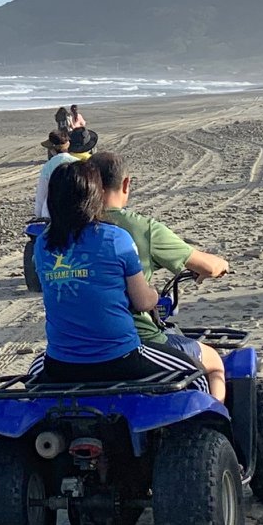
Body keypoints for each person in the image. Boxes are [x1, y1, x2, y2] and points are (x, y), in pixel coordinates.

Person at [29, 159, 207, 389]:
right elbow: (142, 302)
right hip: (120, 358)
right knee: (198, 374)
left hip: (62, 364)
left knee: (33, 373)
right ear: (95, 196)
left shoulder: (42, 244)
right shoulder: (114, 237)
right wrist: (154, 296)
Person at [94, 150, 229, 402]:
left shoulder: (62, 234)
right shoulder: (139, 229)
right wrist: (220, 264)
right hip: (135, 341)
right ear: (125, 184)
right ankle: (217, 425)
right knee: (214, 363)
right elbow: (207, 266)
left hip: (75, 348)